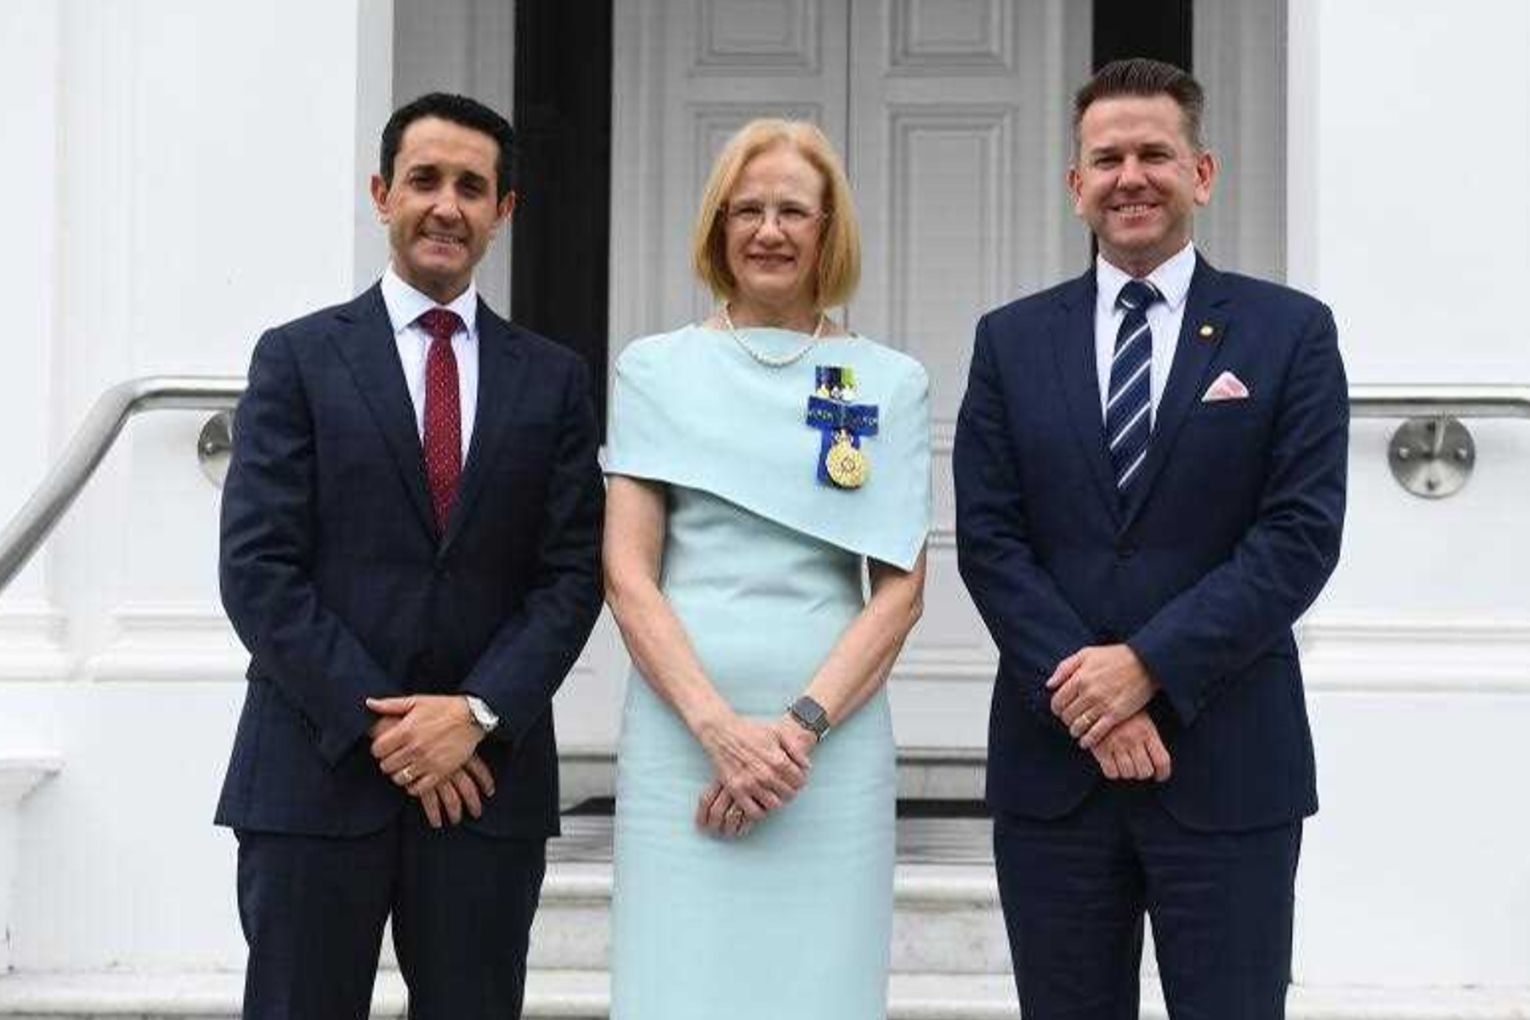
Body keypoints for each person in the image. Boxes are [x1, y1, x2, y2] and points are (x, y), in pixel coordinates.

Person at [954, 58, 1348, 1018]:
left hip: (1229, 765)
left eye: (1155, 154)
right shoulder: (1011, 340)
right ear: (1076, 184)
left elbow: (1299, 535)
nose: (1131, 175)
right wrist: (1093, 698)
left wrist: (1148, 668)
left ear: (1201, 174)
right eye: (1108, 157)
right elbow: (988, 538)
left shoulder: (1288, 332)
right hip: (1056, 774)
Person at [216, 92, 604, 1020]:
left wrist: (473, 712)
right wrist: (390, 728)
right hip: (315, 772)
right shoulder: (297, 358)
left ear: (502, 211)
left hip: (484, 785)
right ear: (382, 193)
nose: (446, 204)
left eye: (473, 187)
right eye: (424, 180)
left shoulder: (553, 379)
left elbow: (572, 575)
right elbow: (259, 569)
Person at [602, 118, 930, 1019]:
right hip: (682, 739)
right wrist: (720, 734)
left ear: (830, 231)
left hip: (828, 749)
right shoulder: (654, 370)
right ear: (718, 228)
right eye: (747, 209)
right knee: (681, 985)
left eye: (794, 209)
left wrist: (793, 735)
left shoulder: (886, 381)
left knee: (819, 990)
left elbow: (899, 589)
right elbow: (628, 575)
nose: (769, 230)